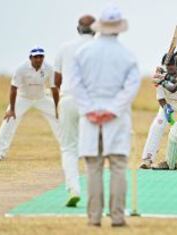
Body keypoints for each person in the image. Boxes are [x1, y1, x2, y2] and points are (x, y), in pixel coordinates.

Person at [71, 5, 141, 227]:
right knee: (118, 166)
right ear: (120, 28)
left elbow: (75, 84)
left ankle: (93, 218)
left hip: (90, 117)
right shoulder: (128, 55)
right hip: (116, 118)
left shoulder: (83, 53)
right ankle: (118, 217)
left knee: (94, 167)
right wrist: (112, 110)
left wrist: (90, 109)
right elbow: (130, 88)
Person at [54, 15, 95, 207]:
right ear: (95, 30)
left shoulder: (64, 47)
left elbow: (56, 83)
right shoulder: (99, 48)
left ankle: (74, 189)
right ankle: (96, 193)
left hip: (68, 99)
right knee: (92, 148)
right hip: (90, 102)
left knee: (68, 148)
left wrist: (57, 106)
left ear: (78, 29)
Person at [0, 47, 60, 161]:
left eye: (41, 57)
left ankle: (71, 150)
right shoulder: (21, 69)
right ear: (30, 58)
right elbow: (13, 89)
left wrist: (57, 108)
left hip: (41, 98)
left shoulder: (49, 68)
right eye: (36, 57)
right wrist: (12, 109)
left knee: (61, 118)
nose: (38, 60)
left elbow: (54, 89)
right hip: (23, 98)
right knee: (8, 120)